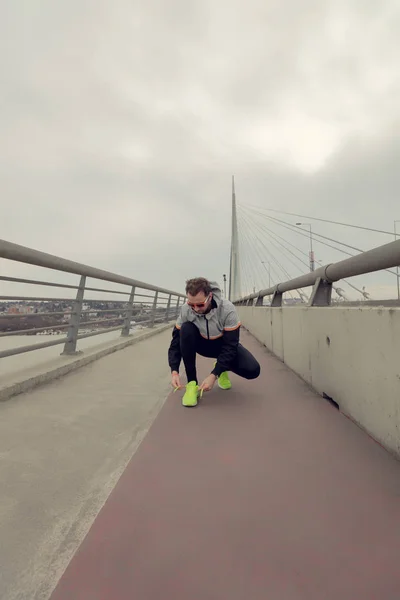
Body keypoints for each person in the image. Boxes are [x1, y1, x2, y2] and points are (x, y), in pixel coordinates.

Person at [168, 277, 261, 407]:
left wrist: (214, 374)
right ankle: (192, 384)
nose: (195, 308)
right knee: (186, 329)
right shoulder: (185, 310)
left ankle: (222, 368)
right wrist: (174, 371)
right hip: (201, 344)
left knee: (253, 370)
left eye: (200, 304)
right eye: (191, 304)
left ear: (210, 296)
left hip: (222, 345)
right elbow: (176, 342)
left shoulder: (227, 309)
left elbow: (231, 345)